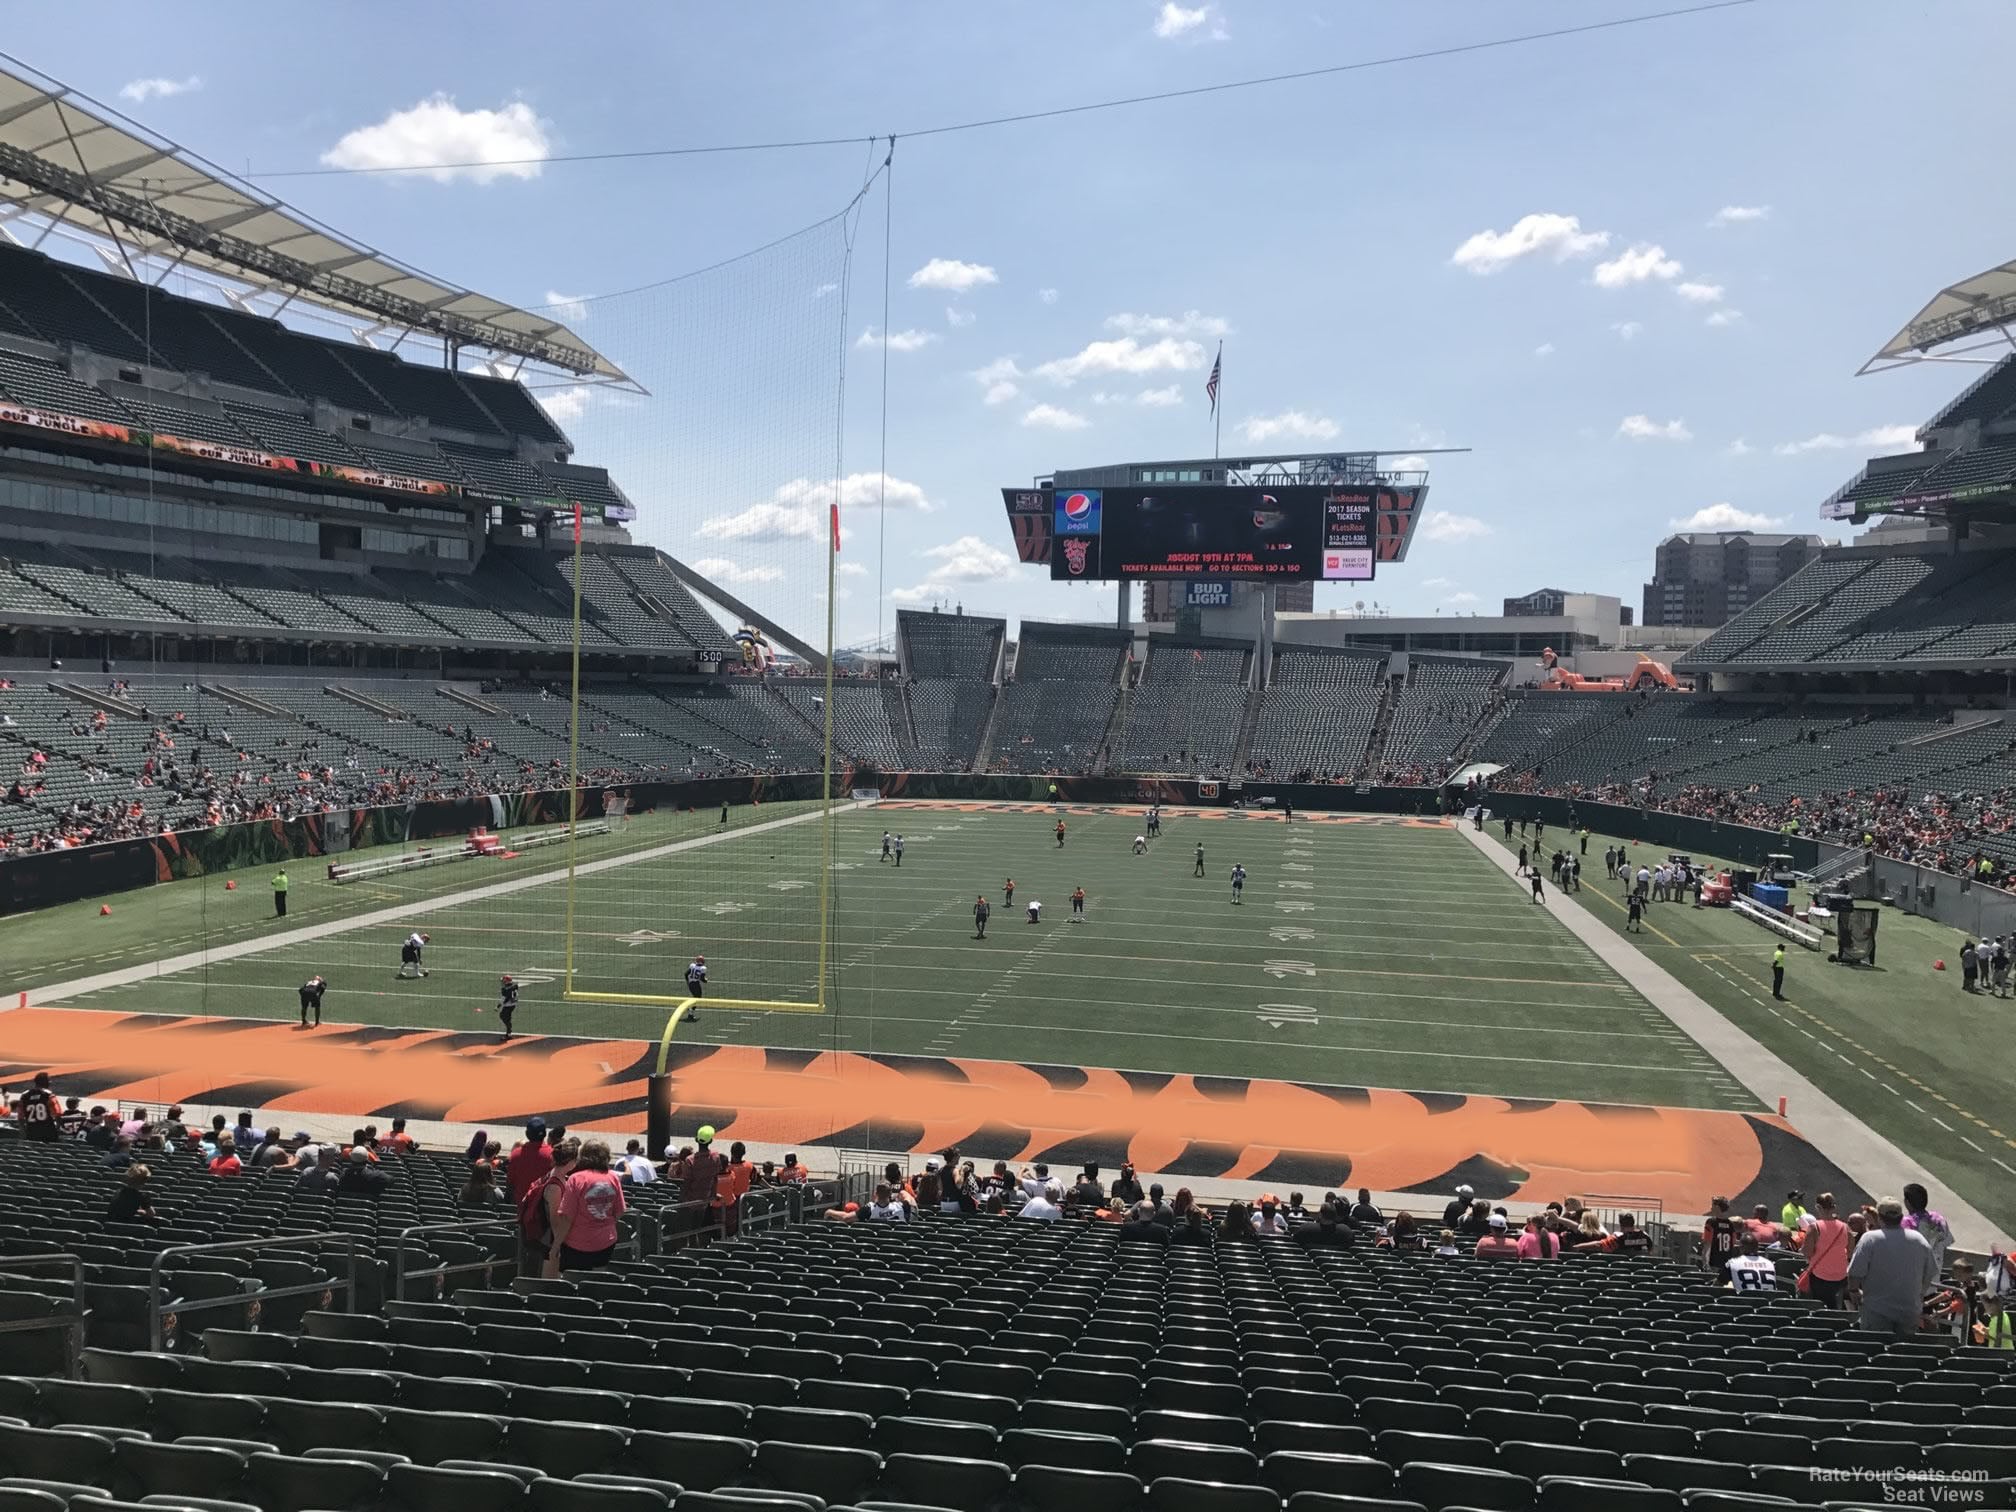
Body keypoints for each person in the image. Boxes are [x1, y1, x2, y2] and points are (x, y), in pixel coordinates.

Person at [1848, 1197, 1938, 1337]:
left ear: (1879, 1217)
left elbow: (1855, 1273)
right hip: (1909, 1312)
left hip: (1876, 1311)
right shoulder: (1918, 1239)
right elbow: (1930, 1272)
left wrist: (1854, 1291)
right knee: (1902, 1354)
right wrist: (1919, 1295)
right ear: (1901, 1217)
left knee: (1876, 1352)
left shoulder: (1870, 1239)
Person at [548, 1139, 627, 1275]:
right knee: (596, 1282)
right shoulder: (613, 1177)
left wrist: (556, 1245)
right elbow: (620, 1211)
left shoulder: (576, 1179)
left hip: (576, 1243)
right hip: (605, 1241)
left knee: (572, 1282)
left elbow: (567, 1218)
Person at [1804, 1192, 1852, 1307]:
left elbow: (1807, 1252)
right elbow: (1851, 1252)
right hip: (1841, 1275)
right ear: (1834, 1207)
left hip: (1820, 1274)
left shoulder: (1814, 1227)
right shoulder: (1845, 1227)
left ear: (1818, 1207)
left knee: (1819, 1304)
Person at [1902, 1183, 1954, 1273]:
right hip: (1935, 1269)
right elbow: (1948, 1241)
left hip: (1913, 1271)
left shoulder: (1906, 1222)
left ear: (1907, 1202)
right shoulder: (1939, 1219)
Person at [507, 1119, 553, 1204]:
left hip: (519, 1206)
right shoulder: (553, 1155)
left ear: (527, 1134)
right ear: (545, 1134)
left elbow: (510, 1182)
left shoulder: (515, 1154)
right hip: (542, 1207)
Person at [1702, 1197, 1742, 1274]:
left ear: (1717, 1207)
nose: (1711, 1208)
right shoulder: (1731, 1224)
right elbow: (1733, 1243)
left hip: (1714, 1262)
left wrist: (1705, 1264)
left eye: (1712, 1205)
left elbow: (1707, 1244)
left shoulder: (1711, 1222)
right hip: (1727, 1263)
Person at [14, 1071, 57, 1143]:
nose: (50, 1082)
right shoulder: (48, 1094)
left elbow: (20, 1117)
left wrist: (23, 1131)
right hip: (48, 1133)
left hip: (31, 1132)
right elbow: (57, 1114)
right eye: (49, 1080)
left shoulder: (24, 1095)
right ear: (45, 1082)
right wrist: (57, 1129)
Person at [498, 974, 520, 1041]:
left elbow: (505, 998)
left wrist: (498, 1006)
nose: (503, 982)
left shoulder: (505, 989)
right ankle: (509, 1032)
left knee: (503, 1016)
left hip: (508, 1005)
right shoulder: (514, 986)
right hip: (513, 1004)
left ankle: (509, 1033)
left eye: (504, 980)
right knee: (506, 1017)